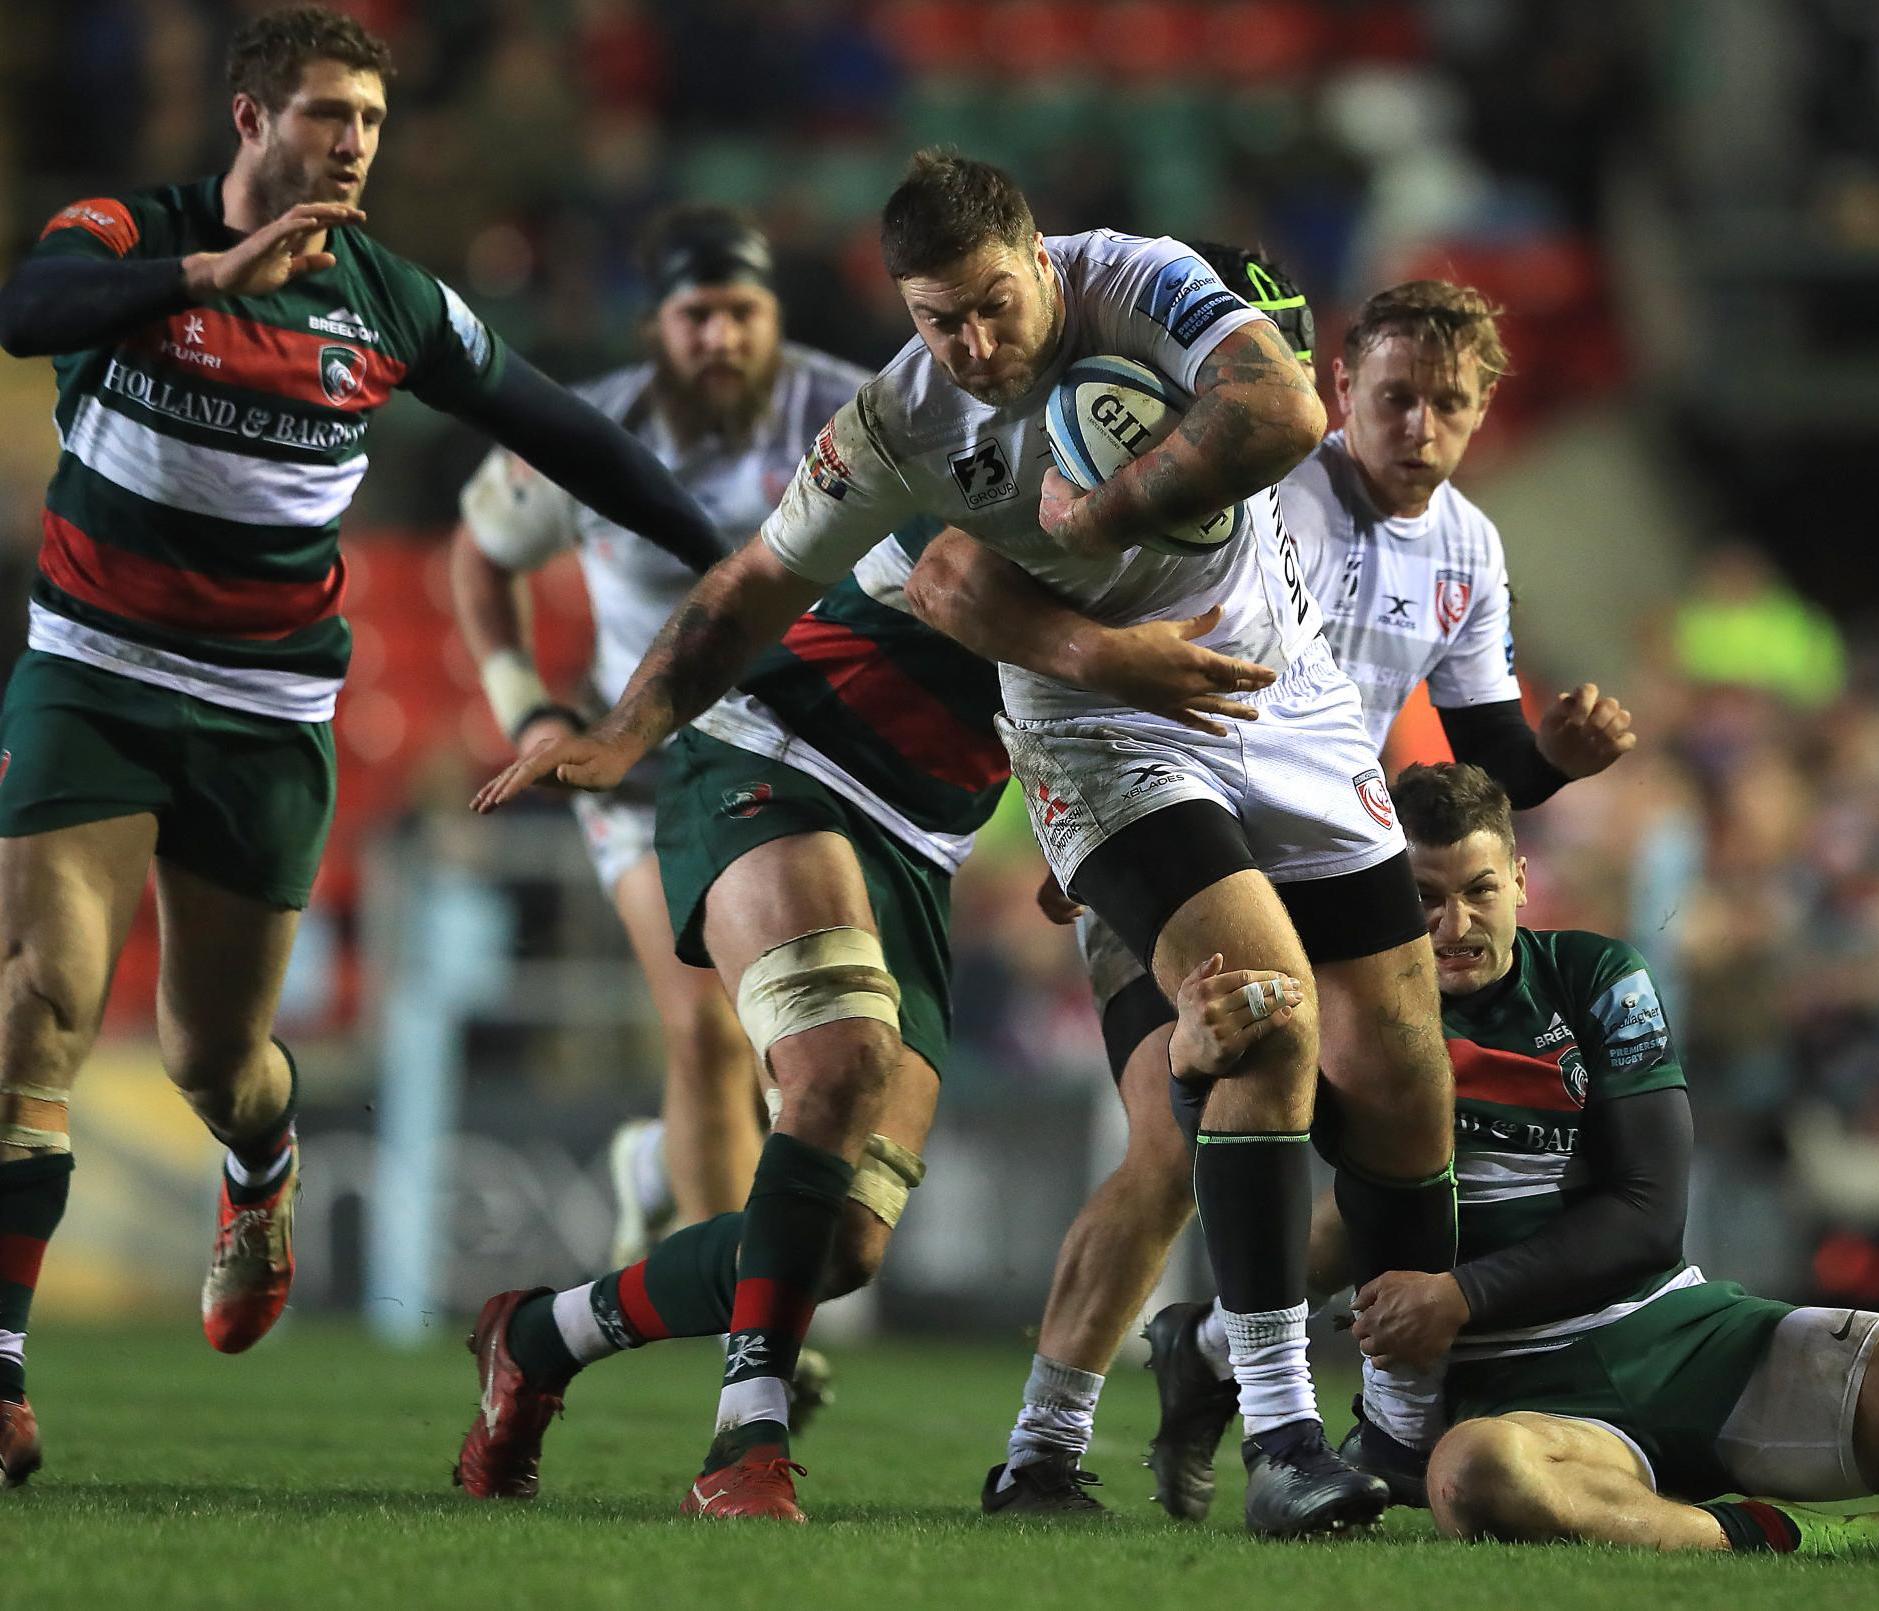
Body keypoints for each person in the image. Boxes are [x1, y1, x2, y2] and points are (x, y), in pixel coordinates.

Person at [476, 150, 1460, 1537]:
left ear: (1044, 258)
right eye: (942, 318)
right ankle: (777, 1441)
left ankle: (546, 1333)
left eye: (995, 305)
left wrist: (1105, 519)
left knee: (856, 1231)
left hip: (1039, 786)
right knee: (1185, 1032)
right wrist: (627, 730)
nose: (976, 343)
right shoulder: (911, 429)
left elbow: (1282, 408)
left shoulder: (1149, 290)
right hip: (867, 757)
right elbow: (847, 579)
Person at [0, 7, 731, 1491]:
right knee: (41, 1003)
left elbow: (564, 431)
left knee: (217, 1054)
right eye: (327, 113)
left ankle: (259, 1166)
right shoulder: (133, 234)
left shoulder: (391, 301)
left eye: (372, 121)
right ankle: (4, 1375)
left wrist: (734, 559)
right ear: (251, 115)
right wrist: (201, 278)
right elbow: (30, 307)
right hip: (93, 673)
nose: (351, 143)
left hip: (265, 714)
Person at [904, 275, 1635, 1514]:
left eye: (1447, 405)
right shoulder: (1249, 479)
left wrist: (1554, 758)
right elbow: (1028, 589)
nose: (1419, 428)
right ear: (1339, 389)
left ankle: (1247, 1373)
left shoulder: (1466, 546)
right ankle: (1047, 1446)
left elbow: (1481, 754)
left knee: (1396, 1120)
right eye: (1395, 397)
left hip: (1329, 850)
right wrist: (1091, 833)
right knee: (1166, 1151)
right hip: (1173, 832)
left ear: (1483, 412)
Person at [1339, 762, 1879, 1567]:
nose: (1455, 925)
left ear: (1520, 880)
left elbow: (1651, 1217)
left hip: (1691, 1344)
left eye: (1478, 890)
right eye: (1425, 898)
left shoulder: (1594, 977)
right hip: (1527, 1410)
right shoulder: (1356, 1016)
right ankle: (1812, 1538)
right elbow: (1325, 1214)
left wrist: (1458, 1293)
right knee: (1473, 1475)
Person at [449, 205, 865, 1263]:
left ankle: (657, 1166)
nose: (720, 338)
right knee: (703, 1031)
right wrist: (525, 705)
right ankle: (749, 1338)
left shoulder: (848, 417)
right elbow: (482, 552)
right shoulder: (593, 433)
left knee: (806, 1049)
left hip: (808, 768)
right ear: (655, 325)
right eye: (697, 316)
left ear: (774, 317)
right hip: (649, 769)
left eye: (741, 313)